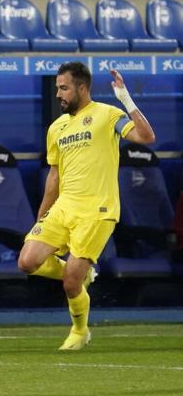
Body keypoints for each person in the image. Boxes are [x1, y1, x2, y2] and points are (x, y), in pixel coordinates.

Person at [17, 63, 155, 350]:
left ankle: (80, 331)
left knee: (70, 284)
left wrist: (125, 99)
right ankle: (83, 274)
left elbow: (146, 137)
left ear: (82, 88)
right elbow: (53, 177)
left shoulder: (107, 115)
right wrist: (42, 215)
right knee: (27, 261)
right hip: (64, 208)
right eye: (57, 88)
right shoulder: (57, 127)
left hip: (98, 211)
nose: (59, 94)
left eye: (64, 88)